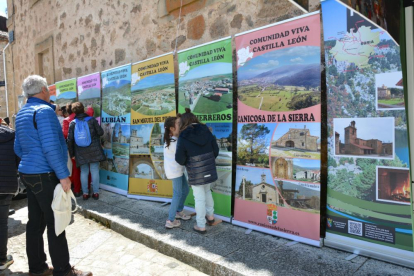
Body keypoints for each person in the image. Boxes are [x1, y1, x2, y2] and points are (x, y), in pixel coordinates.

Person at [14, 75, 92, 276]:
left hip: (28, 173)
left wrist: (32, 162)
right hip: (44, 173)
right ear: (42, 90)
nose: (49, 91)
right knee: (56, 222)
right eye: (48, 88)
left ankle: (37, 267)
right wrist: (63, 175)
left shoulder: (22, 113)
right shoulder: (44, 111)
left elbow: (18, 148)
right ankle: (63, 270)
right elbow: (51, 147)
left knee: (35, 222)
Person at [175, 108, 219, 234]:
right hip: (209, 168)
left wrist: (188, 162)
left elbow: (179, 158)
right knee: (207, 192)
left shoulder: (183, 136)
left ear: (184, 122)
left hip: (195, 172)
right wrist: (208, 161)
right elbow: (215, 150)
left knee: (199, 198)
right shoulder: (206, 130)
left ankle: (201, 225)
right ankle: (210, 217)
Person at [67, 102, 105, 200]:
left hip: (80, 152)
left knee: (84, 171)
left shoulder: (73, 123)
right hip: (94, 151)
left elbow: (69, 140)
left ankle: (85, 193)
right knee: (94, 170)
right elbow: (101, 132)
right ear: (83, 109)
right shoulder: (91, 120)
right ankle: (96, 193)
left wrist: (72, 154)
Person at [163, 116, 191, 229]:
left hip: (177, 171)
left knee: (185, 190)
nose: (181, 126)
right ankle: (170, 219)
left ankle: (179, 211)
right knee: (178, 193)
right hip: (175, 172)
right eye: (178, 124)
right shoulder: (174, 142)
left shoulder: (171, 139)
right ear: (171, 128)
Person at [63, 103, 94, 197]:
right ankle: (87, 189)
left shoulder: (67, 120)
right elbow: (91, 112)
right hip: (85, 147)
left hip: (74, 148)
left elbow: (65, 135)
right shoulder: (85, 117)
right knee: (86, 170)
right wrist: (90, 106)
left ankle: (76, 190)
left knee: (76, 170)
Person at [0, 121, 18, 271]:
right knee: (2, 224)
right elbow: (18, 159)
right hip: (6, 185)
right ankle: (1, 260)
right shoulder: (11, 135)